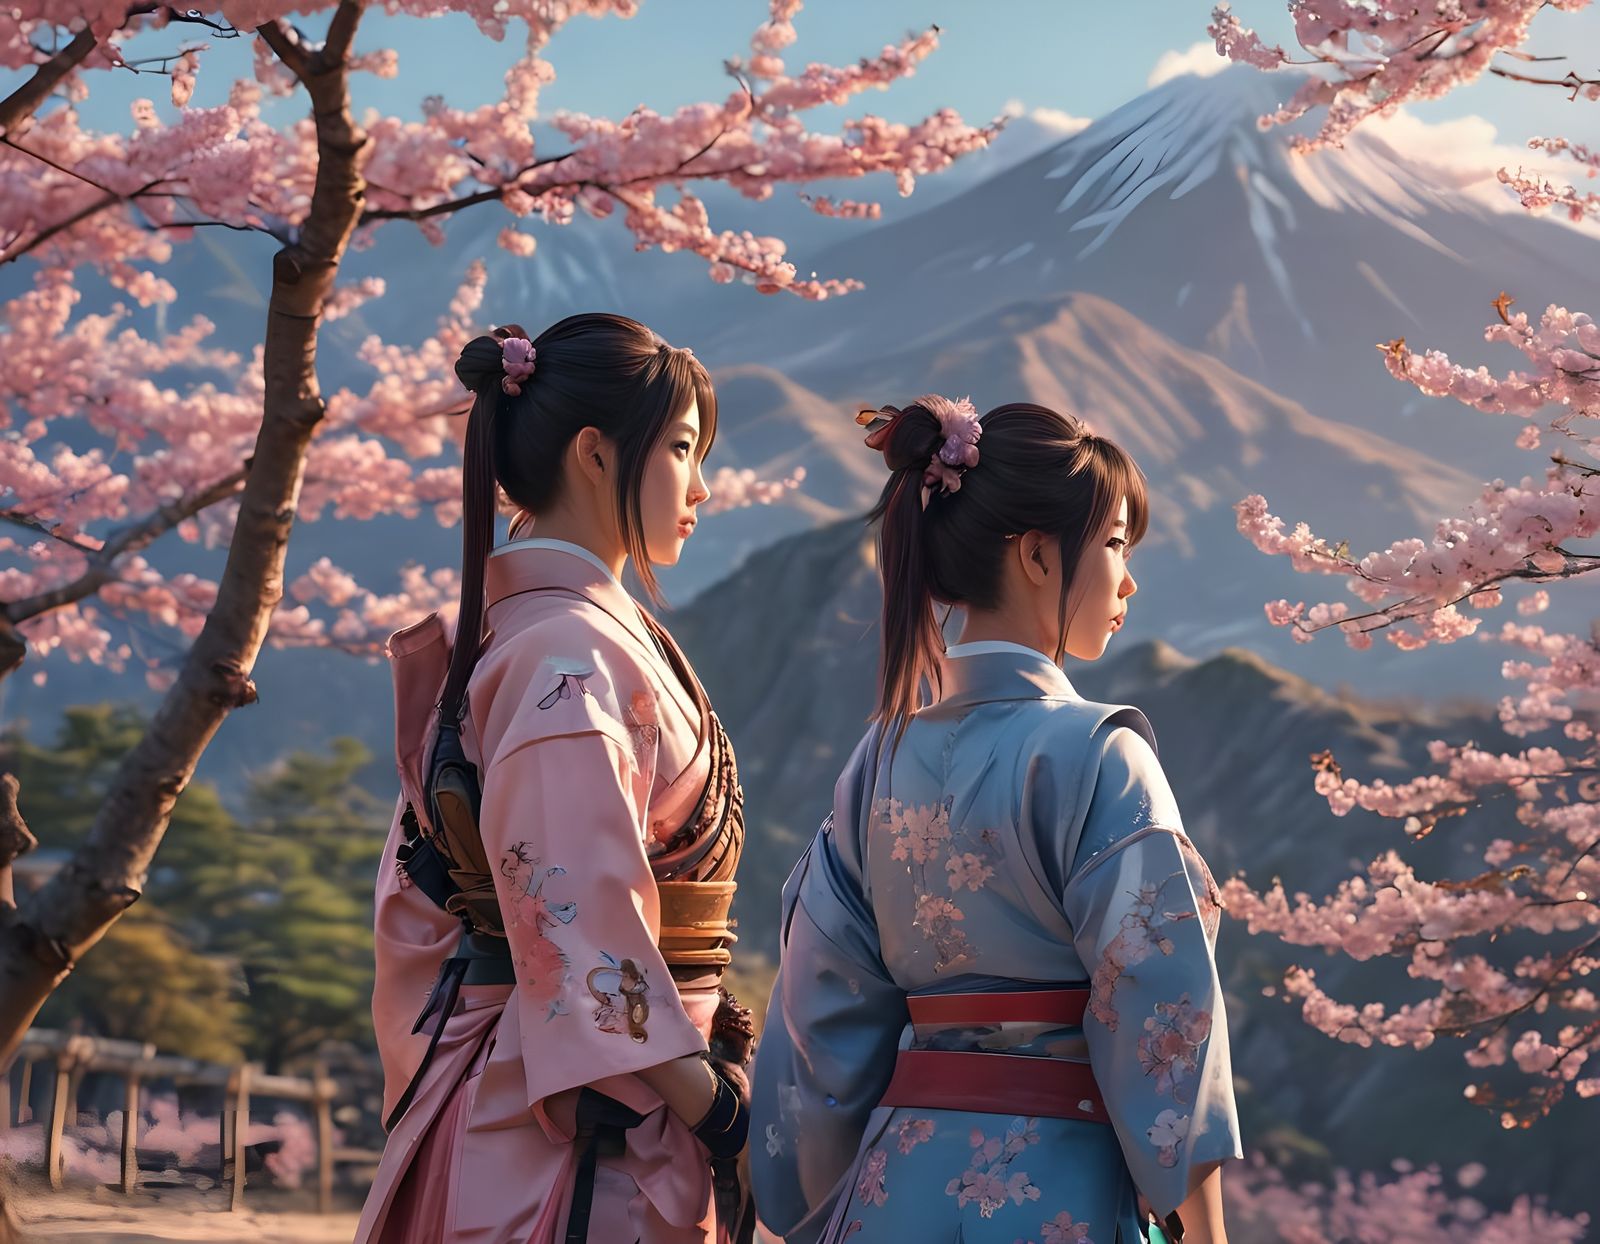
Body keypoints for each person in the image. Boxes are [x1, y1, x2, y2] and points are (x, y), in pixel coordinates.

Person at [749, 397, 1241, 1244]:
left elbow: (821, 1010)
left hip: (893, 1190)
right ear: (1039, 554)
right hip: (1062, 1189)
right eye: (1117, 543)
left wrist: (811, 1195)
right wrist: (1205, 1229)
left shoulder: (877, 761)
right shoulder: (1097, 754)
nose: (1129, 580)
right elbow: (1167, 1022)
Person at [356, 315, 752, 1244]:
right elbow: (575, 923)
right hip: (580, 1132)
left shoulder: (544, 636)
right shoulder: (566, 657)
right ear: (594, 453)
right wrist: (717, 1110)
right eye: (684, 451)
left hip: (602, 1092)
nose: (701, 487)